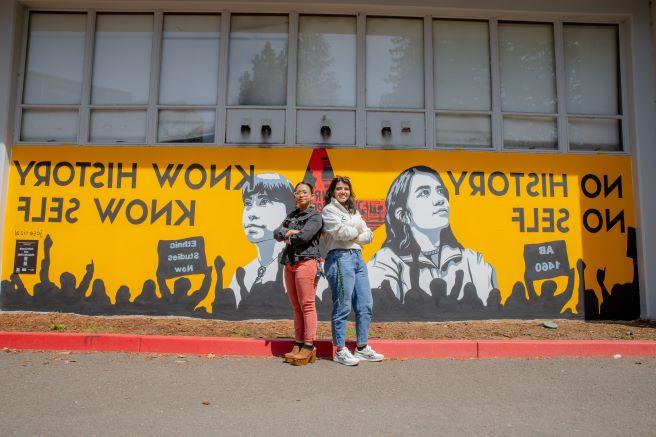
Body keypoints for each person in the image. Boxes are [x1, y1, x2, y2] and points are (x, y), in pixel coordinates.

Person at [368, 166, 498, 306]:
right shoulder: (385, 262)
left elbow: (489, 309)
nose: (440, 200)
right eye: (424, 193)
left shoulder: (473, 261)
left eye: (440, 191)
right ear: (403, 215)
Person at [322, 176, 384, 365]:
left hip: (357, 258)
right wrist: (358, 232)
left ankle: (362, 347)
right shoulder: (329, 210)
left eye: (346, 189)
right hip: (340, 258)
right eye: (339, 188)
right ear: (332, 191)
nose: (343, 192)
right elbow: (340, 234)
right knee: (343, 305)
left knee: (365, 304)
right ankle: (340, 350)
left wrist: (354, 232)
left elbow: (370, 235)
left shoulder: (354, 211)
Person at [228, 173, 295, 312]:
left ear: (288, 211)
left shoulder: (299, 267)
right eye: (247, 203)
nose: (251, 213)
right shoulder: (242, 274)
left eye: (263, 201)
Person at [273, 181, 323, 365]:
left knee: (307, 305)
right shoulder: (291, 215)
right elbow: (276, 233)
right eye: (298, 192)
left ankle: (309, 346)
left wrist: (289, 234)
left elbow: (304, 237)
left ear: (311, 196)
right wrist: (290, 231)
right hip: (290, 263)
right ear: (294, 196)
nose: (301, 195)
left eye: (305, 192)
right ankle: (299, 342)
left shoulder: (316, 217)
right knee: (296, 306)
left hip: (307, 262)